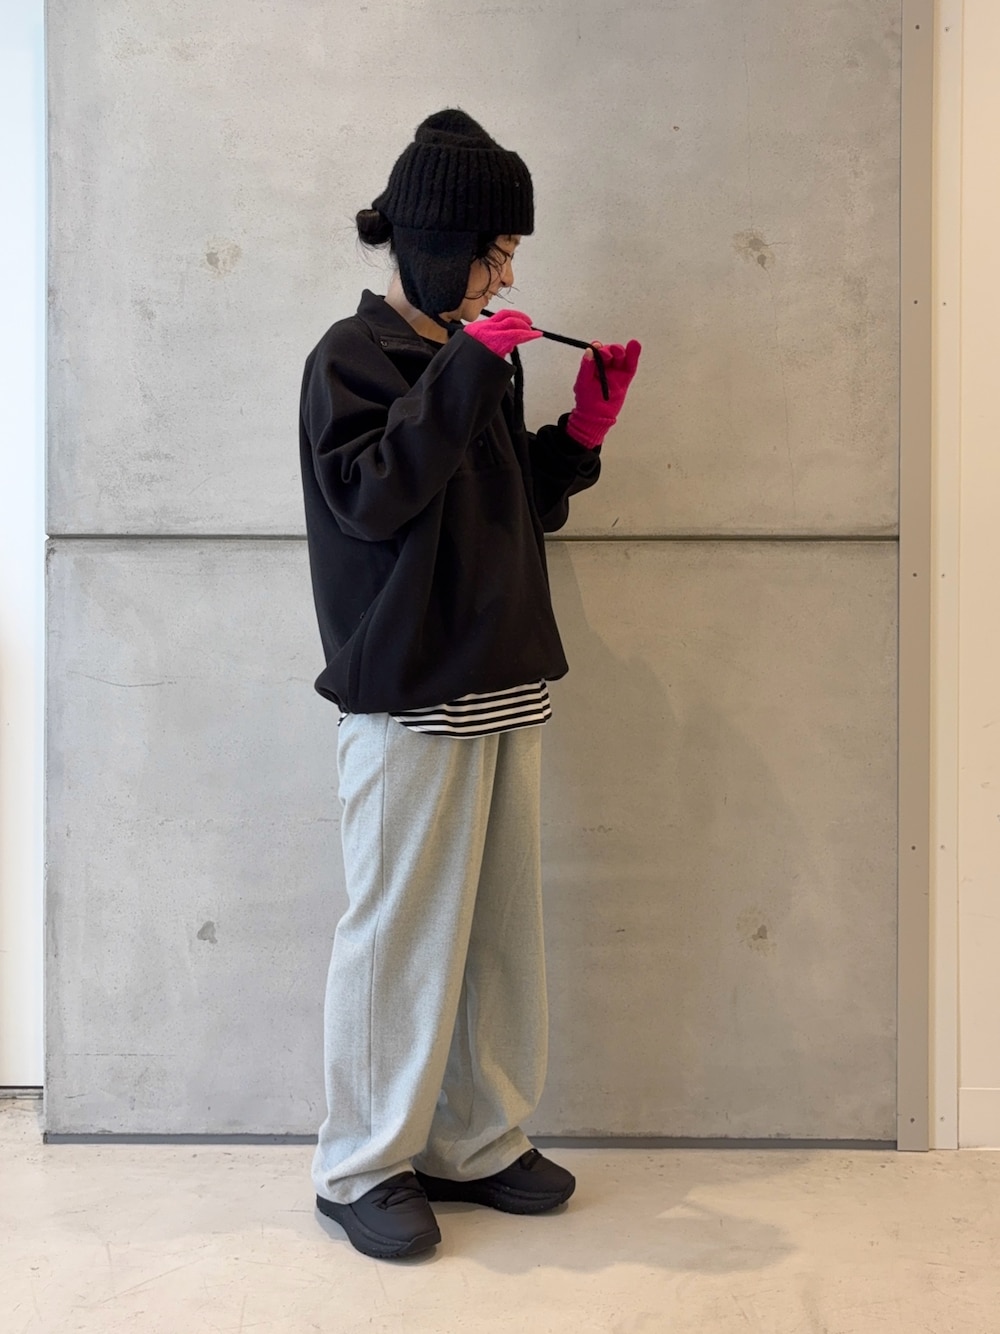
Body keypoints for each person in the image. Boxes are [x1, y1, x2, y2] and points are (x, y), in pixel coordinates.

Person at [298, 108, 641, 1260]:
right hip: (408, 695)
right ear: (437, 244)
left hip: (503, 681)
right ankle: (359, 1164)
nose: (507, 276)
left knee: (496, 935)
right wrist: (466, 370)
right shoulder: (350, 359)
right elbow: (373, 499)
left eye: (511, 254)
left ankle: (476, 1138)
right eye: (493, 253)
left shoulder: (473, 356)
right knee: (397, 935)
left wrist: (578, 432)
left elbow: (511, 509)